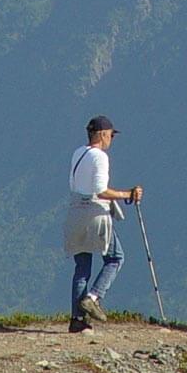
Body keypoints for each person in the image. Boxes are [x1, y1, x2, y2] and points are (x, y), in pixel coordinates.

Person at [63, 115, 143, 333]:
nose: (111, 139)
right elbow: (100, 189)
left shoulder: (78, 153)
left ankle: (77, 320)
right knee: (116, 257)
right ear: (102, 134)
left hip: (74, 213)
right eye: (110, 135)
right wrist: (127, 194)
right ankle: (93, 297)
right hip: (95, 213)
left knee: (82, 267)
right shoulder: (100, 157)